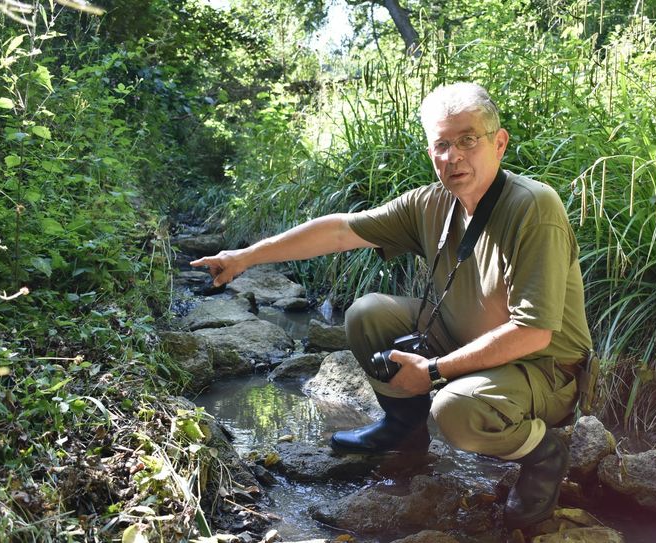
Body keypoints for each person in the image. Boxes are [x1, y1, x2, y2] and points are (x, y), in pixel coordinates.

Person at [191, 82, 592, 529]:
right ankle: (404, 430)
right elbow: (341, 231)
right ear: (430, 151)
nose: (454, 156)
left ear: (499, 144)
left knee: (456, 410)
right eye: (442, 144)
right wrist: (245, 257)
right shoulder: (431, 202)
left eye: (468, 140)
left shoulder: (533, 207)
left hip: (542, 368)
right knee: (368, 314)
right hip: (466, 335)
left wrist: (436, 371)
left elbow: (533, 332)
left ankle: (543, 456)